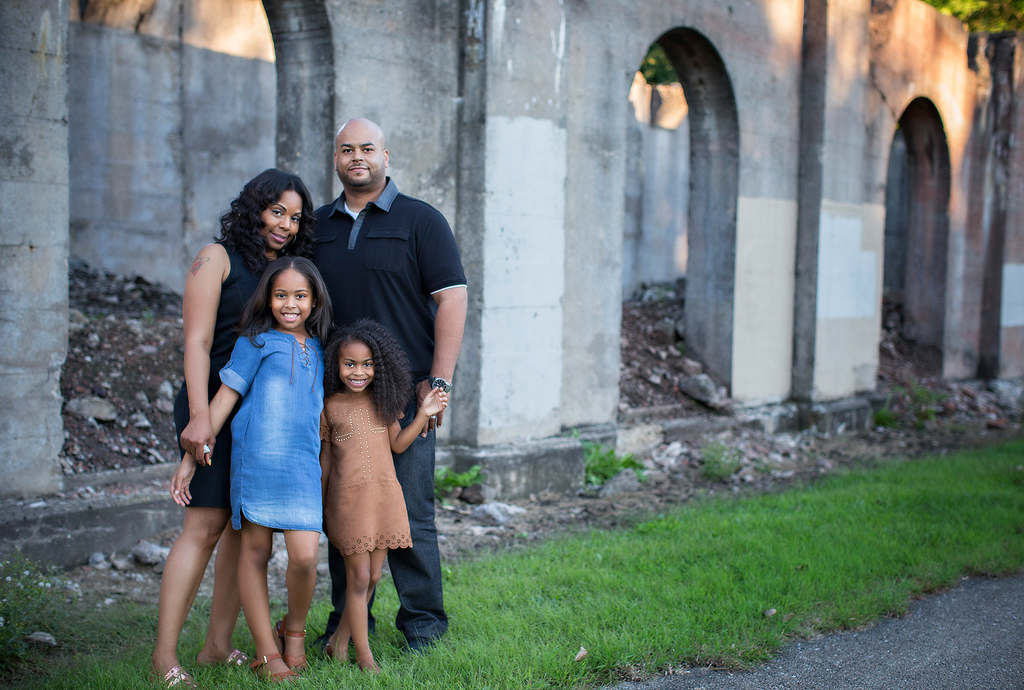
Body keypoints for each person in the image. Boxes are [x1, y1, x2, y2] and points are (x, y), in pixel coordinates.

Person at [151, 169, 317, 688]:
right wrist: (199, 415)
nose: (285, 225)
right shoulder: (216, 258)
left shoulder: (283, 272)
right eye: (276, 212)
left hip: (258, 417)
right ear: (254, 207)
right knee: (203, 528)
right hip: (212, 402)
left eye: (295, 218)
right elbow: (198, 342)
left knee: (239, 532)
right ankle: (163, 656)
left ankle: (217, 646)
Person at [312, 118, 468, 652]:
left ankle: (424, 625)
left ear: (386, 156)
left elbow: (452, 299)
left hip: (405, 395)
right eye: (346, 149)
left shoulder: (421, 220)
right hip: (339, 396)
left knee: (412, 513)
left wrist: (438, 382)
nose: (357, 157)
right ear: (336, 158)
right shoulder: (317, 226)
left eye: (367, 148)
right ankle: (347, 625)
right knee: (345, 504)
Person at [187, 256, 333, 682]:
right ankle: (268, 655)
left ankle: (294, 635)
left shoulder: (324, 348)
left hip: (302, 466)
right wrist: (190, 458)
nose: (290, 304)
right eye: (281, 295)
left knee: (304, 557)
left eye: (300, 296)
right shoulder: (255, 342)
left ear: (314, 300)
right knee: (255, 554)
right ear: (268, 299)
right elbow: (224, 400)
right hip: (257, 462)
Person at [320, 319, 448, 671]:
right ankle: (364, 657)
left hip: (384, 498)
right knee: (359, 578)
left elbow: (398, 444)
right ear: (336, 364)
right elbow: (326, 460)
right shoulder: (329, 407)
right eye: (350, 364)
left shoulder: (384, 403)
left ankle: (337, 642)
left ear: (379, 366)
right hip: (348, 503)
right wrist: (322, 505)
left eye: (367, 364)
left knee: (373, 577)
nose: (358, 372)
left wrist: (423, 414)